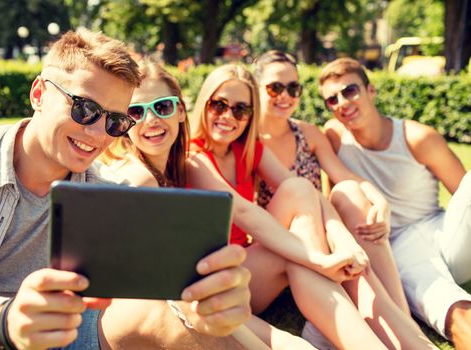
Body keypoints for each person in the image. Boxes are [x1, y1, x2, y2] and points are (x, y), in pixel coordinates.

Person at [0, 30, 252, 350]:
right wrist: (3, 323)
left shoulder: (112, 196)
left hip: (69, 333)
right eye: (85, 108)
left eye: (115, 122)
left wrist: (215, 304)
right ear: (39, 94)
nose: (96, 133)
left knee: (178, 323)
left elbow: (163, 294)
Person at [186, 63, 436, 349]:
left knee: (299, 193)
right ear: (204, 104)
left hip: (248, 266)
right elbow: (244, 212)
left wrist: (343, 242)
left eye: (240, 110)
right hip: (218, 280)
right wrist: (320, 259)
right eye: (219, 105)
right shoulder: (193, 158)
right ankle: (384, 336)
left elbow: (308, 192)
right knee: (304, 255)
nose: (229, 116)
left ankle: (400, 337)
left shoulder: (248, 149)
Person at [100, 59, 315, 349]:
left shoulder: (174, 171)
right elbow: (174, 293)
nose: (150, 119)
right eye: (136, 112)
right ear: (125, 122)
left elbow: (243, 212)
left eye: (161, 107)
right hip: (145, 317)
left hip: (195, 303)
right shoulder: (139, 179)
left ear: (178, 110)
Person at [319, 57, 471, 349]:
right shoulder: (335, 137)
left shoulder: (417, 137)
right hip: (395, 246)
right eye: (332, 99)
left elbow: (462, 194)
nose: (342, 103)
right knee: (445, 301)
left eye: (350, 91)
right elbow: (332, 198)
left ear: (370, 91)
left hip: (444, 233)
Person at [253, 50, 408, 313]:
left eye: (293, 88)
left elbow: (344, 175)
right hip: (280, 246)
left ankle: (398, 309)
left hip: (323, 233)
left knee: (349, 191)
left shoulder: (308, 133)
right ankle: (380, 314)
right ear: (255, 89)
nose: (285, 96)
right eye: (275, 87)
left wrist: (380, 200)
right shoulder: (248, 140)